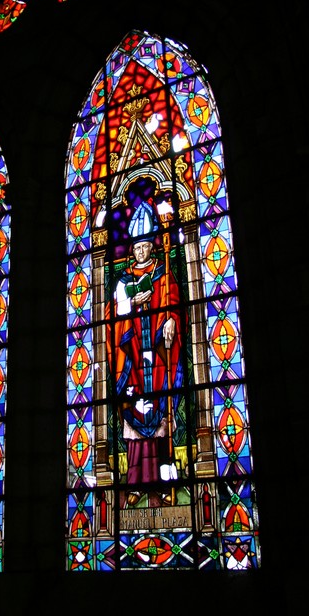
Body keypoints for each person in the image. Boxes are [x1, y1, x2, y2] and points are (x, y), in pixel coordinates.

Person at [106, 201, 184, 508]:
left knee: (161, 412)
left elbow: (175, 305)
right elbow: (111, 314)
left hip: (159, 358)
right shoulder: (124, 281)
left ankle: (165, 483)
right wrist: (131, 302)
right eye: (136, 247)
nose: (140, 252)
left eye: (144, 246)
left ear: (152, 246)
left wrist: (171, 320)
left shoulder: (164, 275)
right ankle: (136, 484)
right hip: (135, 360)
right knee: (136, 412)